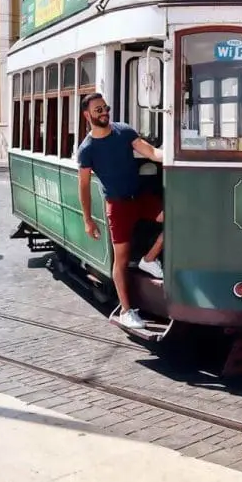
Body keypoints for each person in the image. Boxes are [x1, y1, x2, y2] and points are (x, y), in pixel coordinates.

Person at [77, 93, 164, 330]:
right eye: (98, 110)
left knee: (175, 217)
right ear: (87, 115)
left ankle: (149, 258)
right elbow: (83, 186)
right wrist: (88, 220)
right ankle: (127, 311)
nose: (104, 112)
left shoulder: (123, 131)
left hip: (140, 198)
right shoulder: (87, 149)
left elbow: (150, 152)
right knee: (121, 260)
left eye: (105, 107)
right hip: (118, 206)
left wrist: (173, 157)